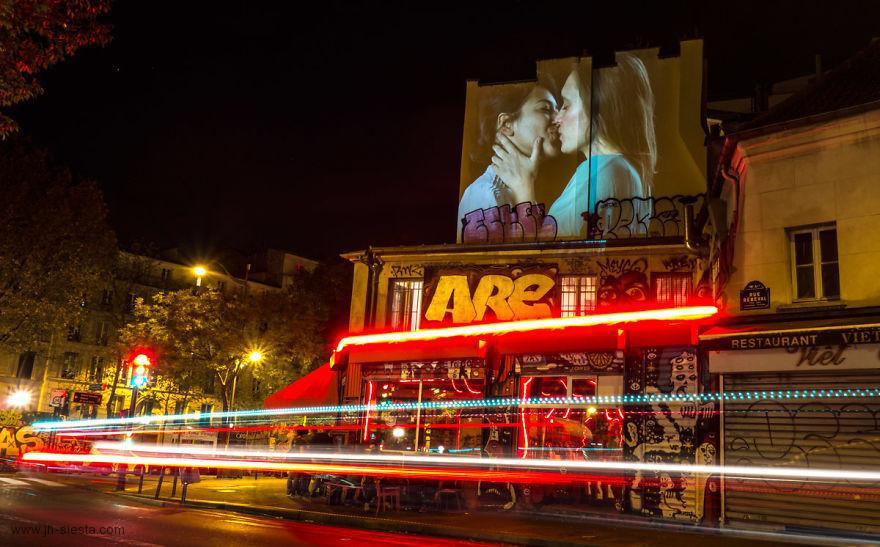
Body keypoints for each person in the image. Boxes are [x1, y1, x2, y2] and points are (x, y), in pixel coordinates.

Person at [494, 54, 656, 238]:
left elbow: (545, 255)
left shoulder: (602, 171)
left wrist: (523, 186)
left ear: (596, 104)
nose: (557, 119)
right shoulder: (626, 169)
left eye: (566, 105)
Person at [457, 82, 561, 230]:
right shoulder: (484, 194)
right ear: (506, 124)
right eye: (545, 108)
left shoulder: (530, 186)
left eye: (557, 109)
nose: (559, 118)